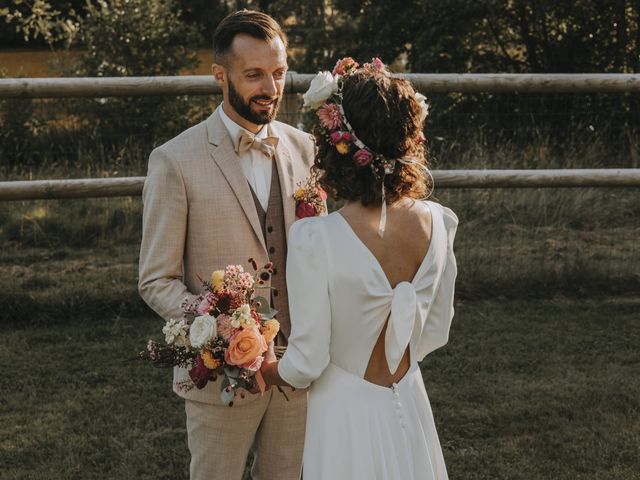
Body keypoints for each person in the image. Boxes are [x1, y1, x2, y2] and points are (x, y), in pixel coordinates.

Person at [260, 59, 458, 479]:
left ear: (336, 145)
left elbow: (308, 361)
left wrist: (266, 370)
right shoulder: (440, 222)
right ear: (411, 139)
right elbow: (436, 329)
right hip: (410, 402)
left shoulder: (315, 239)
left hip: (343, 416)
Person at [138, 10, 315, 480]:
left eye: (278, 73)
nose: (270, 88)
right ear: (220, 75)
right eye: (254, 75)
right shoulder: (175, 160)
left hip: (299, 367)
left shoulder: (306, 149)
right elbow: (156, 279)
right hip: (219, 377)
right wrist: (222, 329)